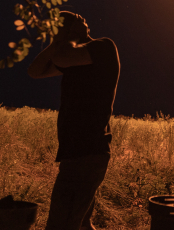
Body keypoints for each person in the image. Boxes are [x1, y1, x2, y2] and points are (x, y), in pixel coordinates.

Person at [28, 12, 120, 230]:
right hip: (78, 151)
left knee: (61, 223)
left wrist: (69, 37)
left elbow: (62, 57)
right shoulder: (72, 55)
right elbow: (34, 71)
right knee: (80, 223)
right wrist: (56, 42)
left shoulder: (102, 47)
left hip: (87, 150)